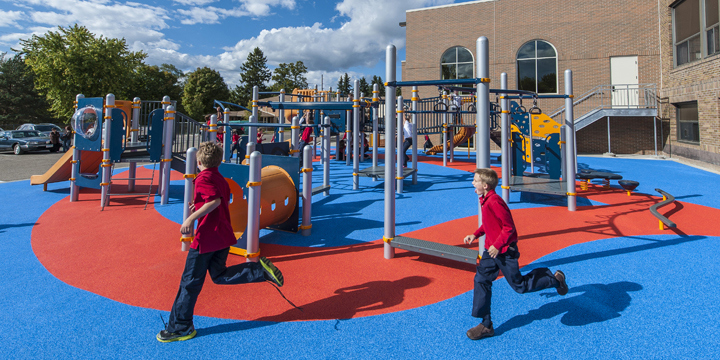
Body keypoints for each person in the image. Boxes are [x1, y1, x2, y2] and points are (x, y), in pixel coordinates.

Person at [157, 142, 284, 343]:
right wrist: (198, 206)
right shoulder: (219, 178)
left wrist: (190, 219)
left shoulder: (203, 178)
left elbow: (214, 201)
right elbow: (215, 201)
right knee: (219, 275)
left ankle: (180, 327)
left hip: (206, 238)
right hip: (223, 236)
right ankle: (258, 271)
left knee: (190, 282)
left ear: (199, 162)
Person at [463, 168, 568, 340]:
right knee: (481, 280)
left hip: (504, 251)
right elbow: (489, 225)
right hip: (491, 250)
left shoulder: (495, 202)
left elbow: (508, 227)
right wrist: (475, 234)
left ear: (486, 185)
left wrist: (497, 245)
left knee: (520, 286)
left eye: (475, 180)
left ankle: (554, 280)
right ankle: (486, 325)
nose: (473, 183)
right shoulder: (484, 200)